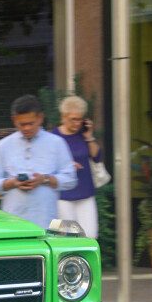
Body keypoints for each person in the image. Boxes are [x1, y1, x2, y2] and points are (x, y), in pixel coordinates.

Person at [0, 94, 76, 229]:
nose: (27, 128)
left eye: (31, 123)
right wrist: (12, 182)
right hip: (12, 222)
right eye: (22, 124)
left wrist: (45, 179)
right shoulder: (3, 145)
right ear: (14, 120)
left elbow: (71, 179)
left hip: (45, 221)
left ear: (40, 118)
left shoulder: (57, 143)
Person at [55, 95, 102, 239]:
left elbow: (97, 156)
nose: (77, 123)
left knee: (91, 235)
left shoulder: (83, 135)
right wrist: (66, 166)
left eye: (80, 119)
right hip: (62, 196)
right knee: (67, 238)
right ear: (63, 117)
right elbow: (44, 164)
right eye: (73, 119)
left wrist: (89, 136)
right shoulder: (53, 137)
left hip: (85, 193)